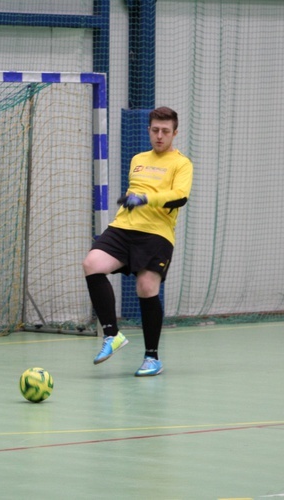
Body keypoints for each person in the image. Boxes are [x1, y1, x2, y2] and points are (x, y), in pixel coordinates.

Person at [83, 106, 192, 376]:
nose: (159, 136)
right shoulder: (138, 159)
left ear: (174, 133)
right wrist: (134, 201)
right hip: (123, 227)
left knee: (146, 286)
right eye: (155, 130)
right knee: (92, 263)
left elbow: (180, 196)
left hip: (157, 233)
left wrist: (146, 199)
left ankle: (151, 357)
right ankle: (112, 335)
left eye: (165, 131)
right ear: (148, 130)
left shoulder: (182, 163)